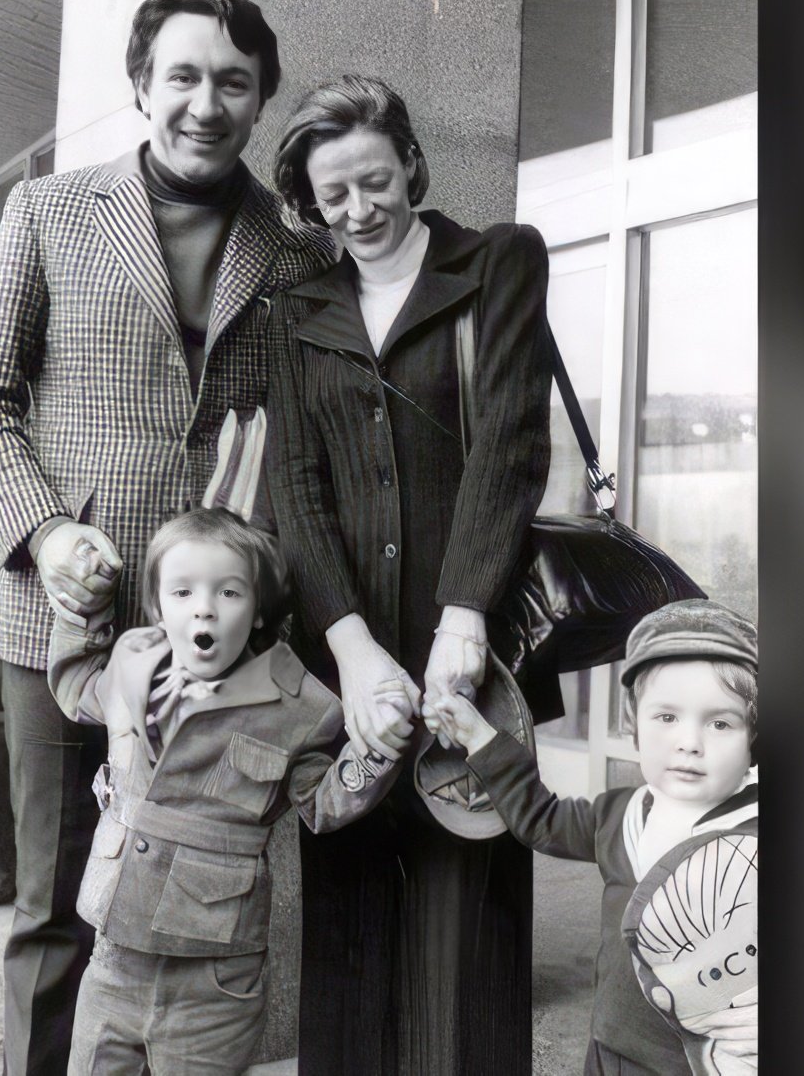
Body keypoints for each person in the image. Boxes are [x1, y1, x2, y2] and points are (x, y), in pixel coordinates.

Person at [0, 2, 332, 1072]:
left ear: (261, 96)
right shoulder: (48, 210)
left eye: (235, 82)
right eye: (184, 77)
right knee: (56, 910)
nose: (207, 104)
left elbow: (308, 444)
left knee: (191, 910)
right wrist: (44, 530)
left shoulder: (296, 255)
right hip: (61, 622)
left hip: (220, 644)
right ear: (140, 82)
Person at [265, 74, 556, 1076]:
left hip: (478, 663)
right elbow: (294, 488)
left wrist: (463, 621)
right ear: (308, 201)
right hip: (342, 674)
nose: (359, 210)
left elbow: (512, 446)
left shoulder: (498, 263)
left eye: (375, 180)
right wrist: (349, 653)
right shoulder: (296, 307)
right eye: (333, 195)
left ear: (411, 162)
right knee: (345, 957)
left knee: (463, 957)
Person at [47, 508, 413, 1075]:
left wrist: (378, 749)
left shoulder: (298, 706)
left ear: (259, 608)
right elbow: (75, 688)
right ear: (157, 606)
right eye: (183, 591)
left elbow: (322, 801)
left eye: (229, 592)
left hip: (214, 980)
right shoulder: (135, 672)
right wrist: (86, 612)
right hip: (114, 960)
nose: (204, 608)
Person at [424, 600, 763, 1075]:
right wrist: (481, 737)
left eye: (720, 723)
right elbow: (541, 819)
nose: (690, 742)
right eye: (667, 717)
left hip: (704, 1063)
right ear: (633, 723)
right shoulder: (620, 814)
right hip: (612, 1046)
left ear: (754, 737)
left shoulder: (754, 839)